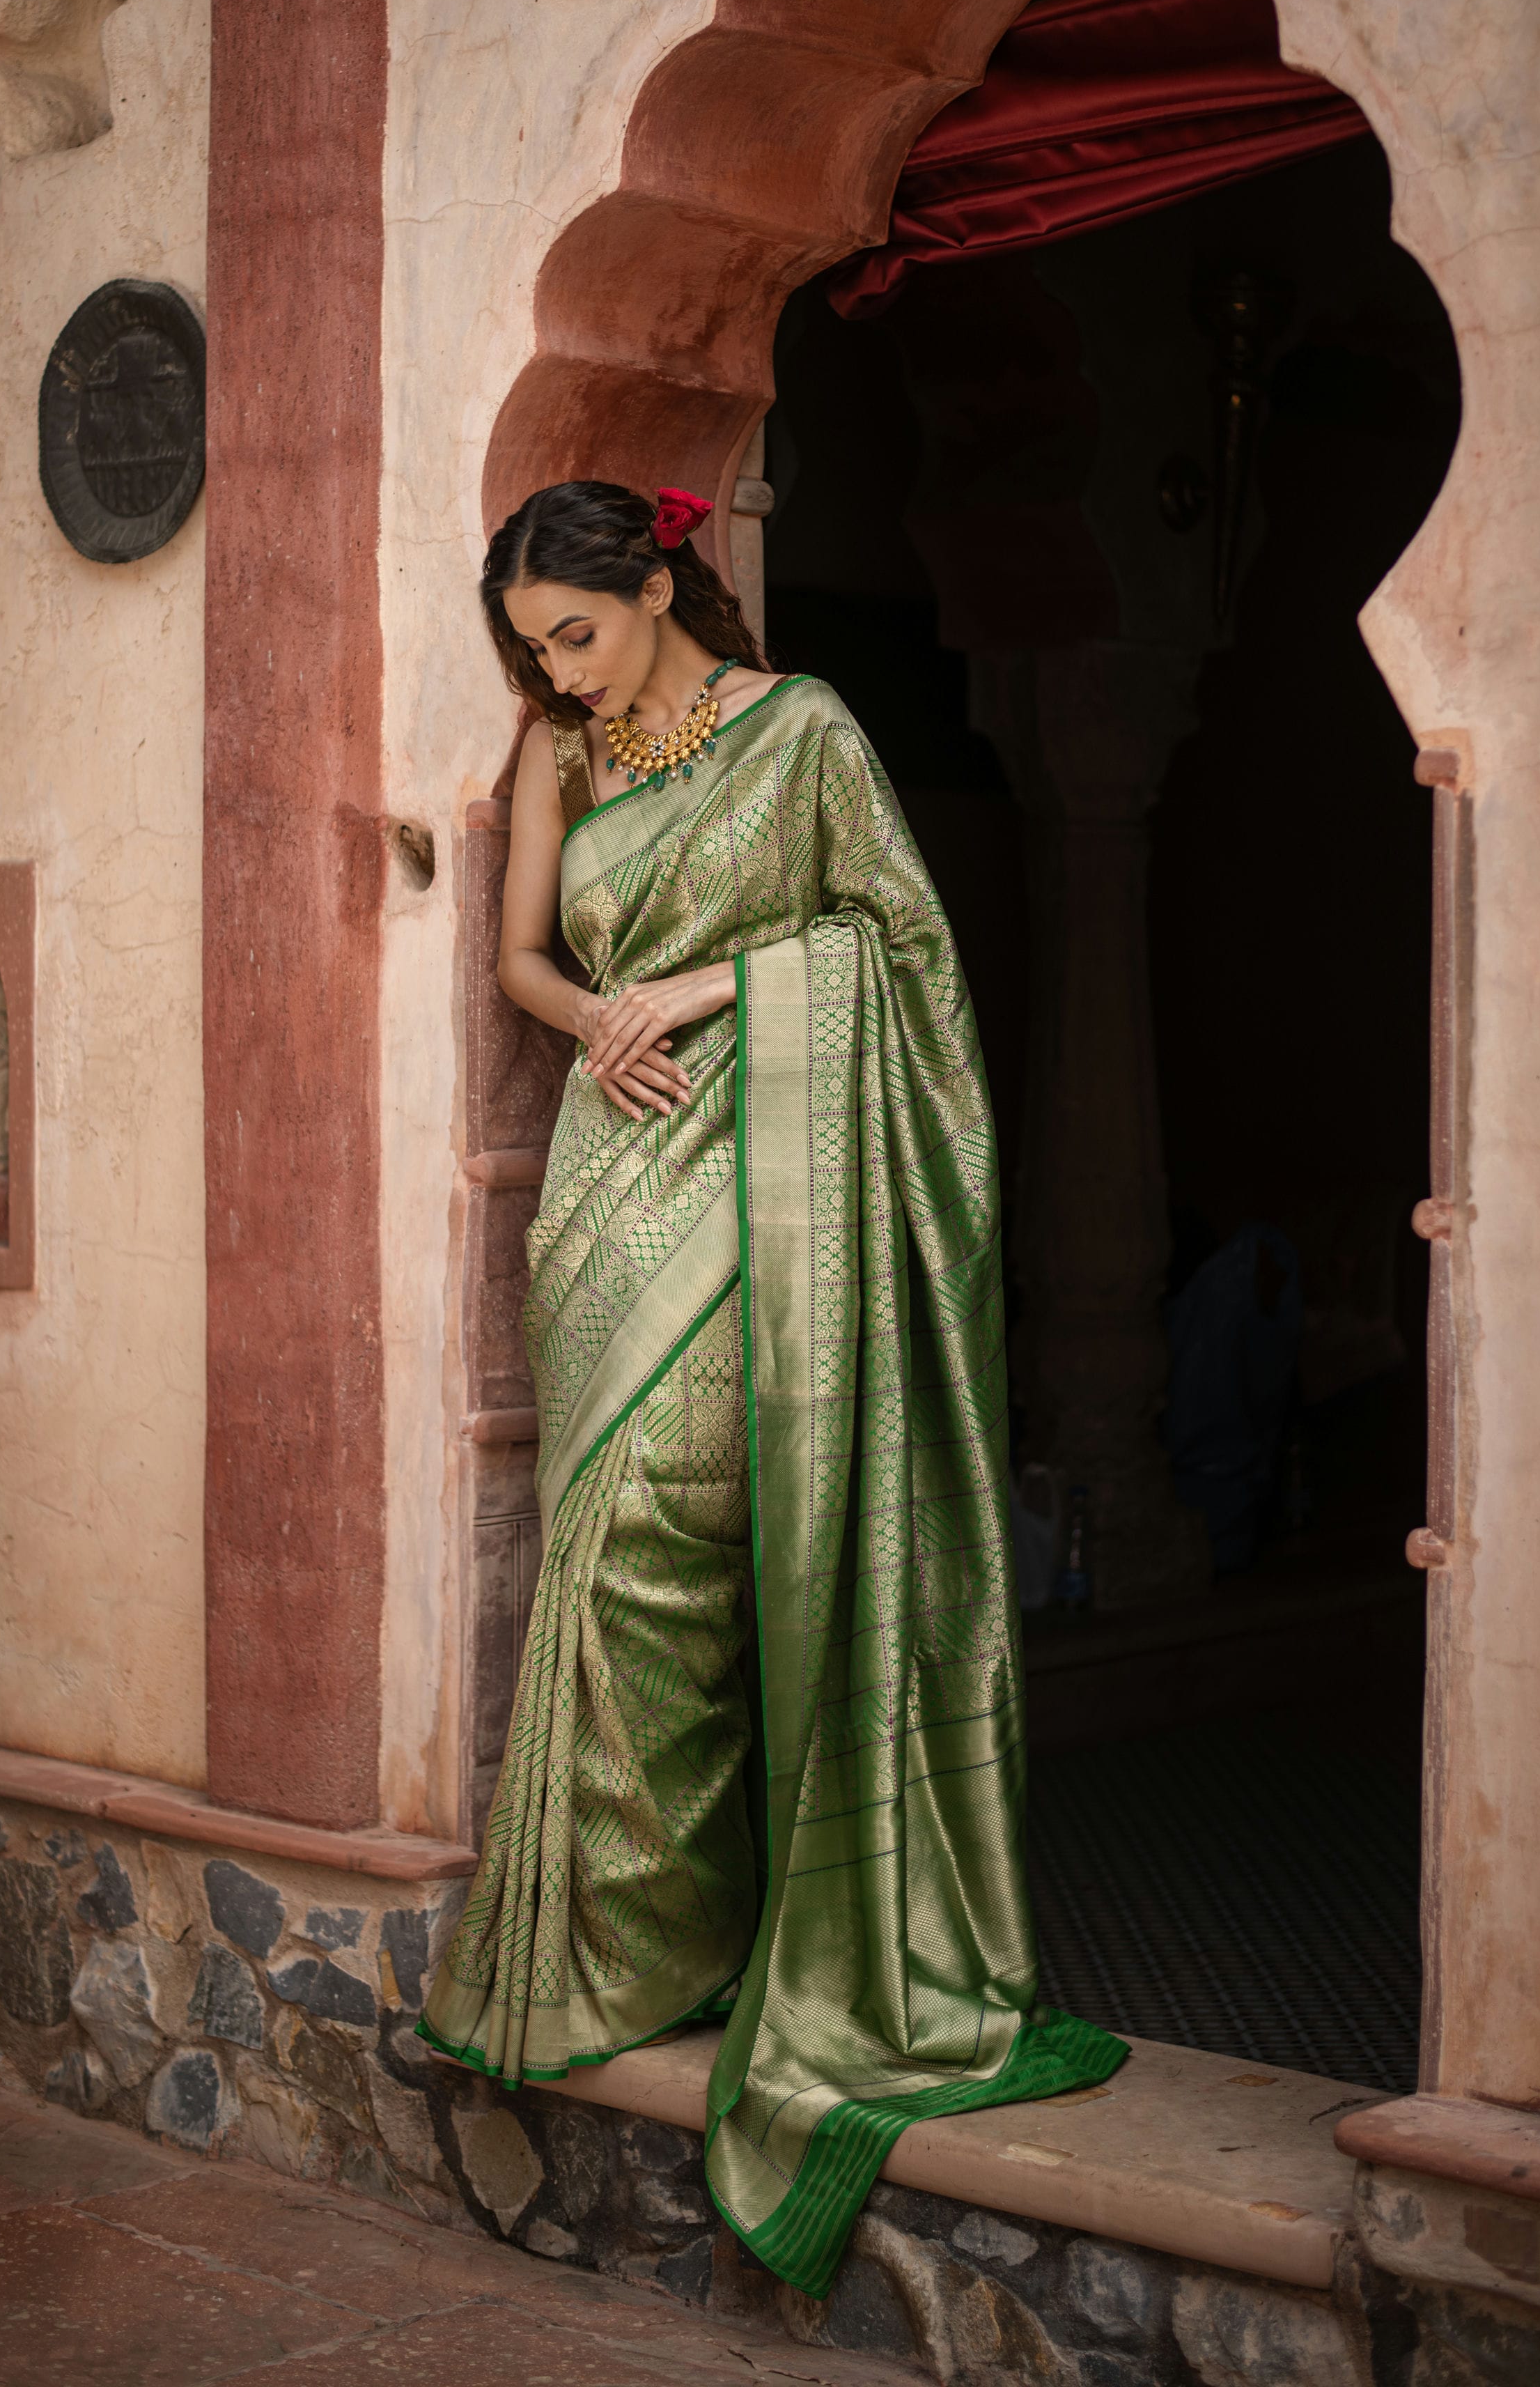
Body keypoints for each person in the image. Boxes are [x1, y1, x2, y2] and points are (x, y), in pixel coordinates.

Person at [417, 477, 1123, 2297]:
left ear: (657, 585)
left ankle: (781, 1930)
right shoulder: (553, 753)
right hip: (611, 1173)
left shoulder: (799, 732)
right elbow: (521, 960)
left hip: (774, 1153)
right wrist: (603, 1018)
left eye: (575, 632)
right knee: (614, 1521)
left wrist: (706, 992)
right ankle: (615, 1956)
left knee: (731, 1512)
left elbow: (892, 948)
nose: (556, 672)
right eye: (530, 648)